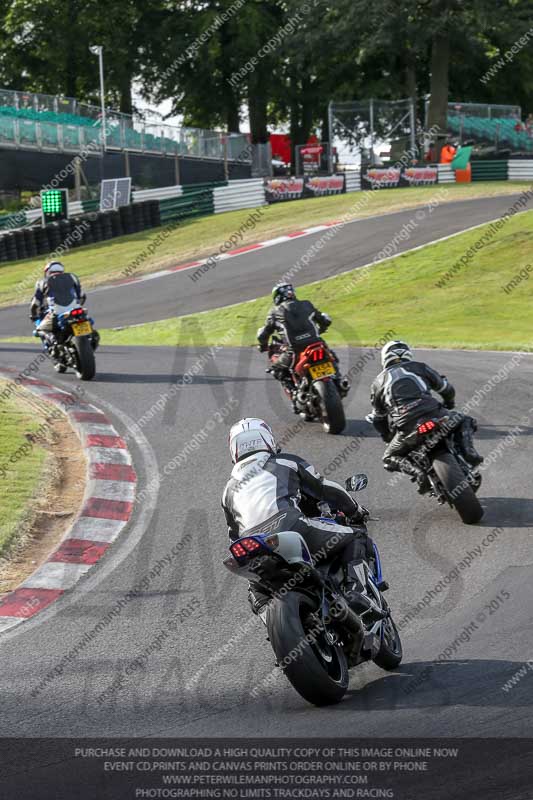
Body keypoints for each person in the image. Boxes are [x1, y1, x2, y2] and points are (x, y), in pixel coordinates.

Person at [222, 418, 385, 616]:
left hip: (251, 543)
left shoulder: (228, 490)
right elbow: (326, 489)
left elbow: (233, 535)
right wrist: (356, 510)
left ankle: (267, 615)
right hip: (289, 525)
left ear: (234, 450)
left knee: (255, 586)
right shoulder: (284, 461)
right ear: (267, 440)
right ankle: (357, 593)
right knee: (356, 535)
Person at [369, 340, 482, 492]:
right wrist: (449, 403)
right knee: (465, 420)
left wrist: (386, 436)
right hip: (436, 415)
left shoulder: (377, 382)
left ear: (384, 358)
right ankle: (469, 452)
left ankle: (417, 473)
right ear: (408, 354)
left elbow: (378, 418)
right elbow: (446, 388)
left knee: (389, 458)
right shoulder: (419, 367)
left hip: (407, 428)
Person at [257, 282, 350, 399]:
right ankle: (339, 381)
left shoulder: (274, 312)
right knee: (332, 357)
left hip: (294, 351)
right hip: (317, 344)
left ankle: (296, 394)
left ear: (277, 297)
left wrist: (263, 345)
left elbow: (263, 334)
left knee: (277, 369)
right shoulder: (307, 304)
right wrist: (322, 328)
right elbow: (324, 320)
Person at [29, 261, 98, 350]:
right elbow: (82, 296)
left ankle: (53, 344)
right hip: (76, 311)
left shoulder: (43, 282)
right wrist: (76, 306)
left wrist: (34, 315)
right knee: (89, 322)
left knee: (40, 330)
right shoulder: (72, 277)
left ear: (47, 272)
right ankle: (89, 336)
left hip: (56, 313)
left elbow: (36, 303)